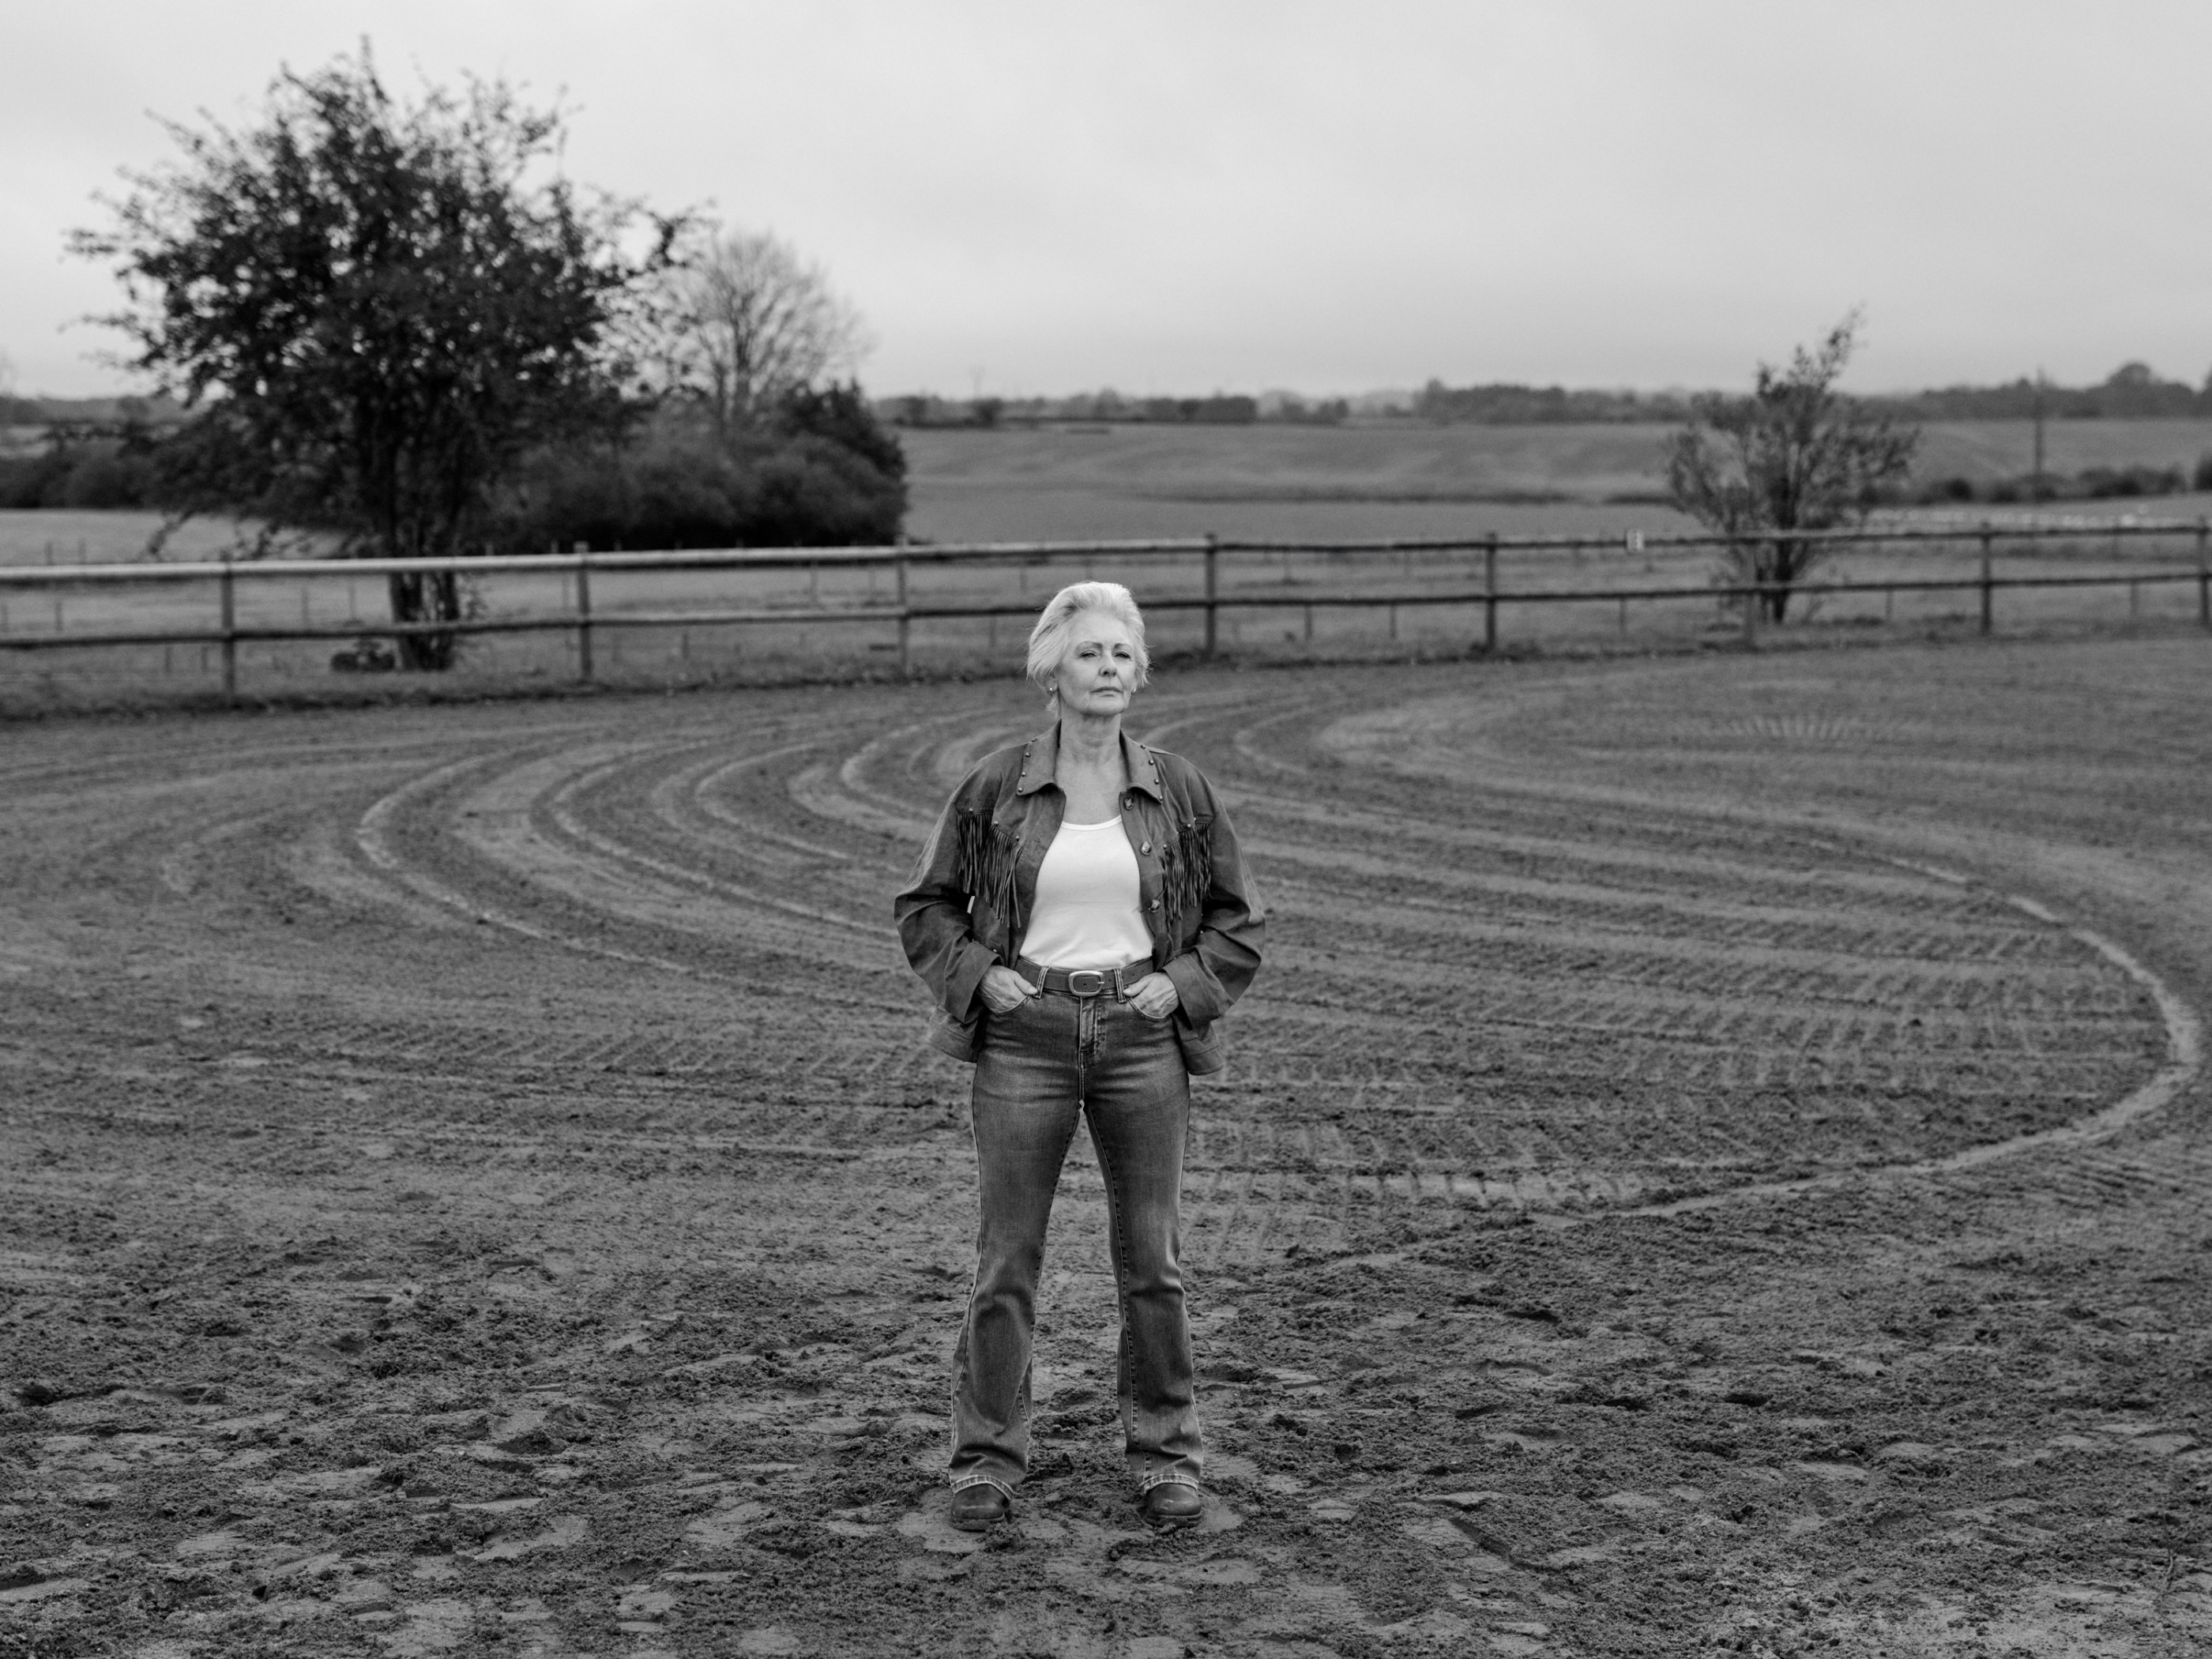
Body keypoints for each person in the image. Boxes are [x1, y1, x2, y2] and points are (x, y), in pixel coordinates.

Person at [893, 581, 1265, 1533]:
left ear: (1138, 674)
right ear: (1050, 671)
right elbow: (926, 907)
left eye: (1121, 655)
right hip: (1025, 1041)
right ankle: (985, 1461)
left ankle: (1164, 1457)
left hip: (1144, 1045)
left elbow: (1236, 922)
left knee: (1153, 1261)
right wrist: (979, 975)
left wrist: (1179, 985)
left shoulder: (1177, 788)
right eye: (1089, 654)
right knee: (1006, 1261)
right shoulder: (994, 786)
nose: (1107, 669)